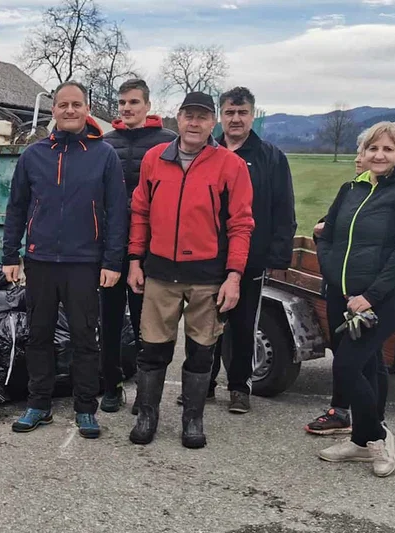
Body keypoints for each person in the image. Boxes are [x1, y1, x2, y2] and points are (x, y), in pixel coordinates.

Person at [127, 91, 255, 448]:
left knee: (201, 351)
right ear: (178, 118)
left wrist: (234, 276)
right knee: (153, 350)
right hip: (160, 273)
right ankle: (147, 415)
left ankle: (193, 419)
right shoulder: (154, 159)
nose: (194, 123)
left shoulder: (230, 165)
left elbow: (241, 224)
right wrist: (135, 260)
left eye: (202, 117)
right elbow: (140, 212)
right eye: (188, 116)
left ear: (212, 122)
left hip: (207, 277)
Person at [2, 81, 128, 439]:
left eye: (76, 104)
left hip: (84, 263)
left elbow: (117, 213)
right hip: (40, 260)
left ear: (87, 109)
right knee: (38, 335)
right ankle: (38, 404)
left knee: (85, 339)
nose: (70, 110)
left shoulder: (104, 155)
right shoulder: (33, 155)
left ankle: (86, 408)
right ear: (53, 110)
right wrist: (10, 254)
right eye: (63, 105)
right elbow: (16, 208)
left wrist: (112, 262)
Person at [314, 122, 395, 477]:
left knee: (346, 366)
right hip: (343, 295)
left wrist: (370, 296)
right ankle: (361, 442)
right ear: (362, 153)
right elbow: (326, 233)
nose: (379, 155)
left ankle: (377, 437)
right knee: (368, 365)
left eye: (388, 149)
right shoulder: (351, 189)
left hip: (383, 298)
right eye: (372, 148)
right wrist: (333, 273)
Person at [205, 87, 297, 414]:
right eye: (229, 112)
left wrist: (277, 256)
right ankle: (203, 383)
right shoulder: (207, 152)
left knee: (244, 325)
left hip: (250, 257)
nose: (235, 119)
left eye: (242, 113)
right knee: (206, 325)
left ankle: (239, 388)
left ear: (252, 115)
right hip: (209, 256)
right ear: (220, 116)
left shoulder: (270, 157)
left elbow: (284, 210)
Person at [100, 78, 177, 413]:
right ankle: (111, 386)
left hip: (150, 248)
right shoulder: (106, 143)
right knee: (109, 320)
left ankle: (146, 391)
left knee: (149, 325)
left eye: (133, 102)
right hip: (111, 246)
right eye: (122, 103)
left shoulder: (168, 142)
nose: (127, 108)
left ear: (147, 106)